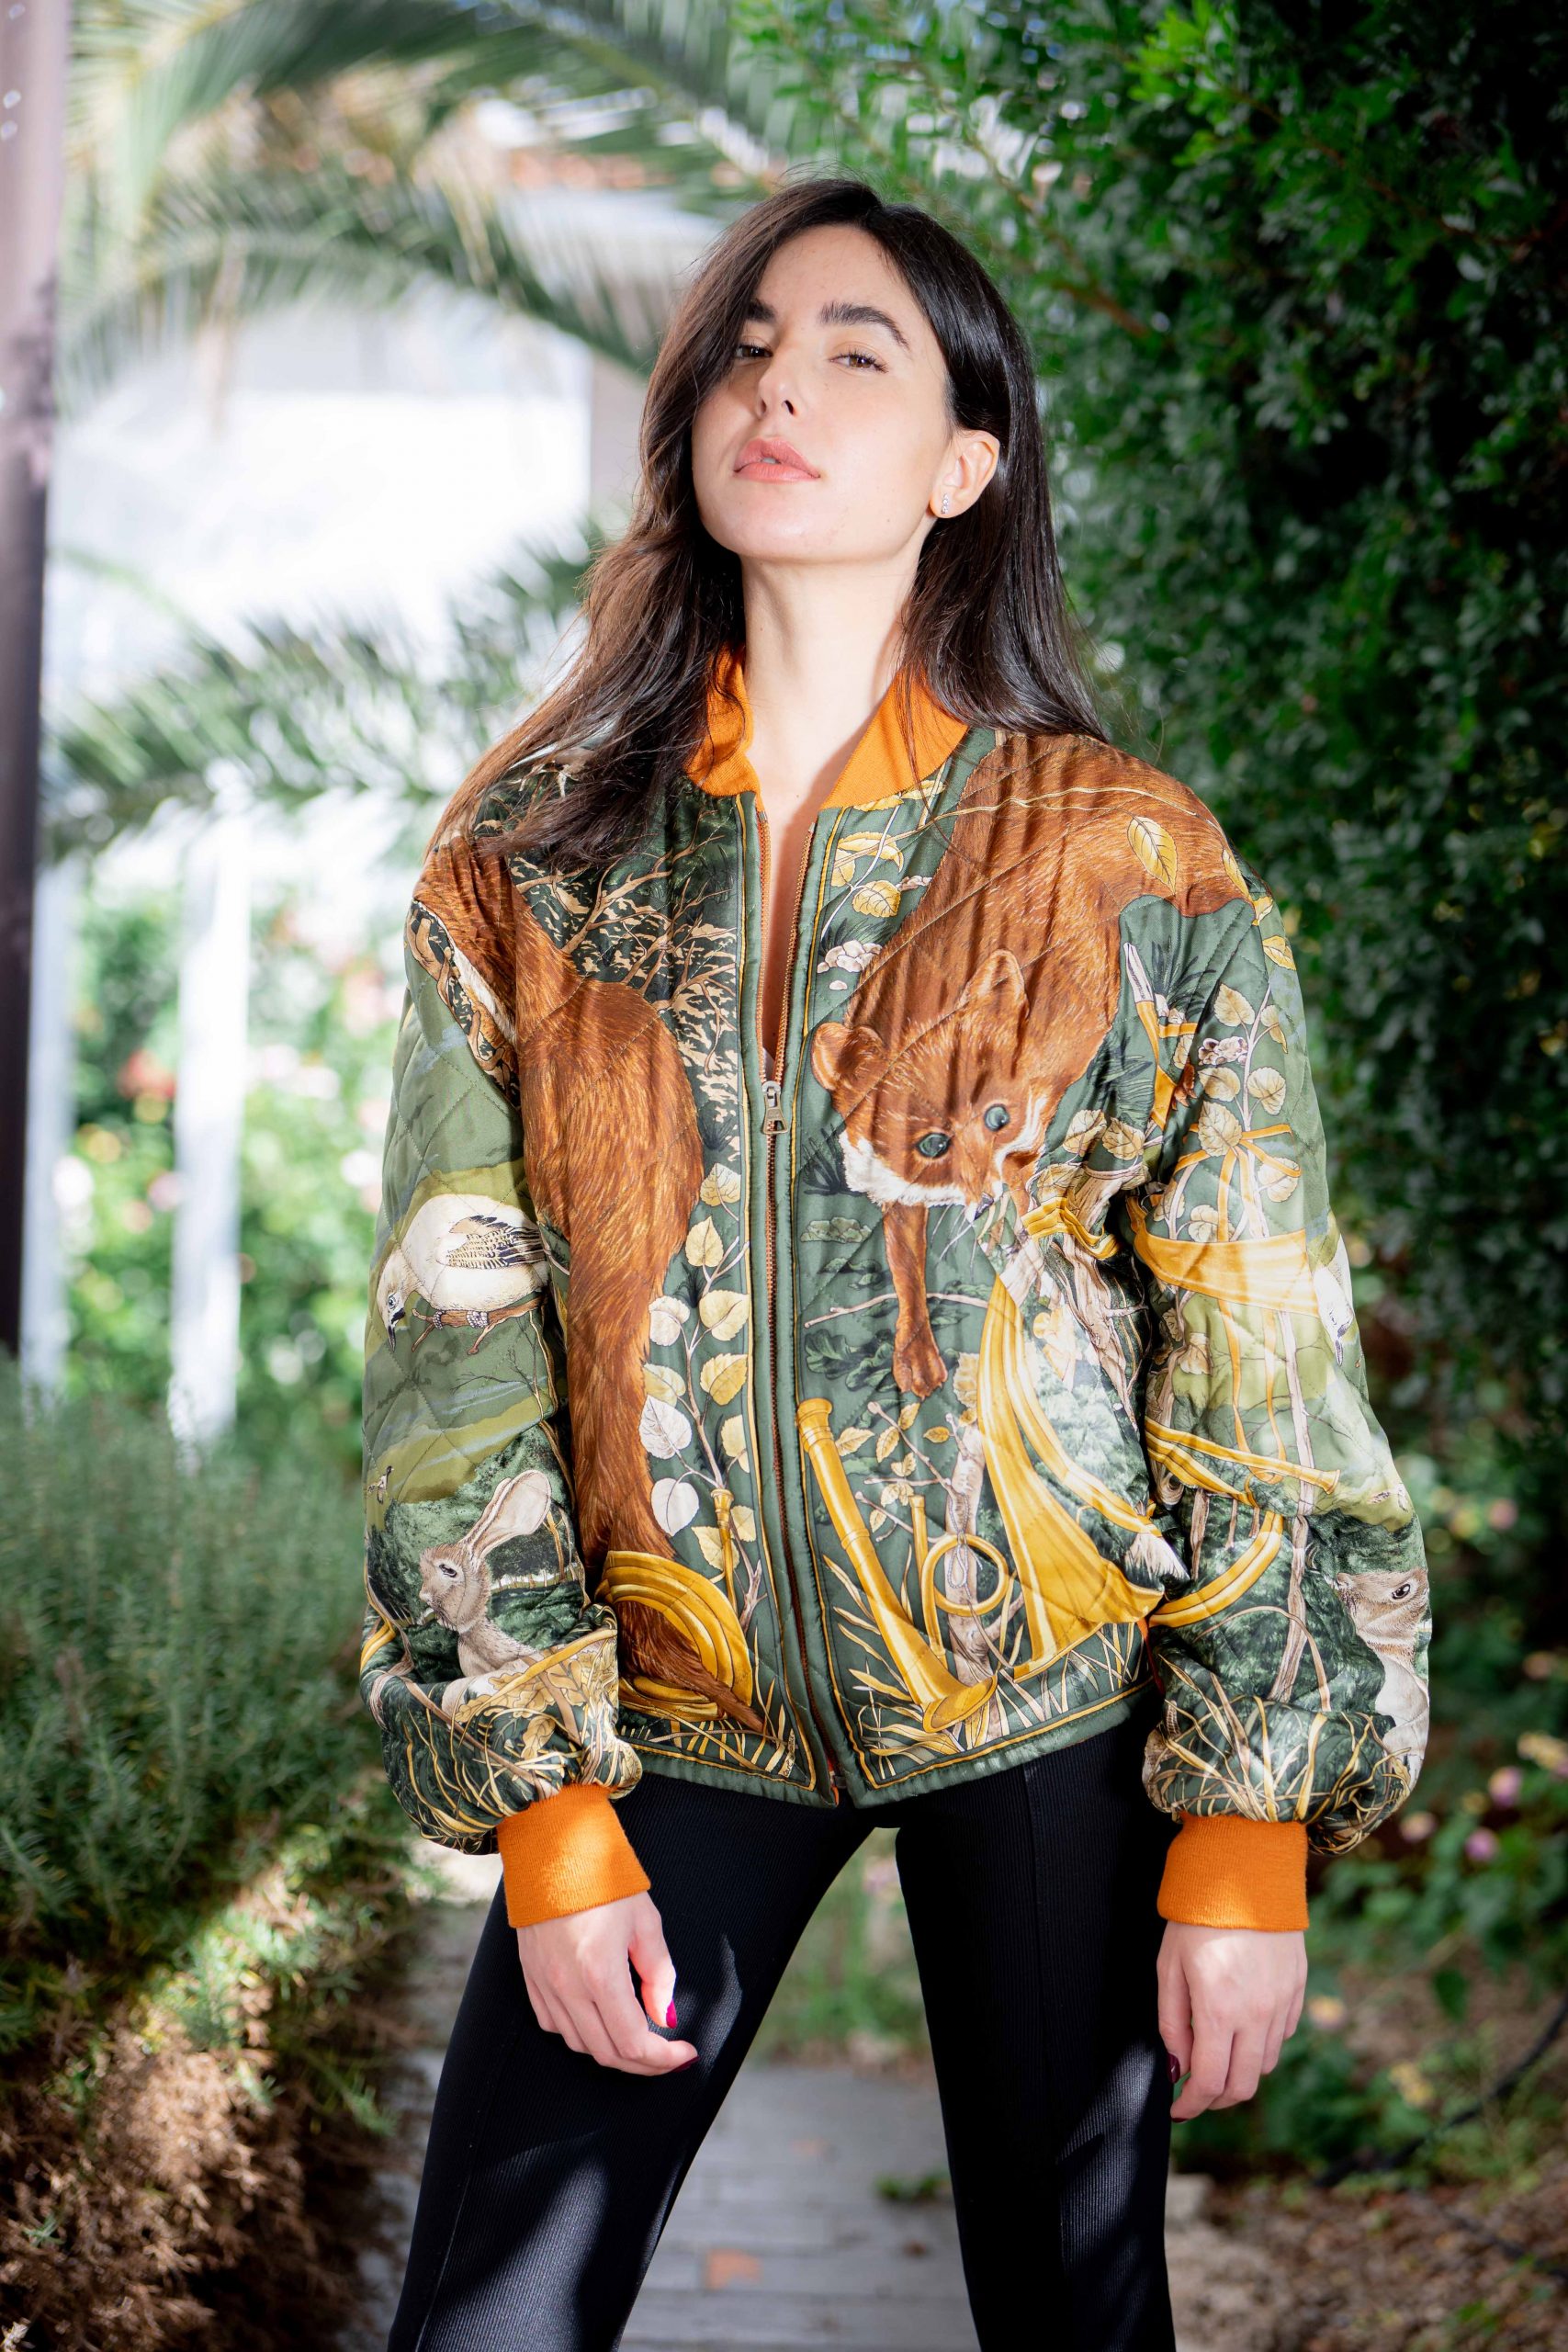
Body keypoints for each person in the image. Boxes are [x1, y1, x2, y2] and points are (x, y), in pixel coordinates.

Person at [358, 174, 1431, 2351]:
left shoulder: (1124, 858)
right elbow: (450, 1348)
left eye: (858, 353)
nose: (782, 388)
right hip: (674, 1715)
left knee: (1078, 2318)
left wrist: (1244, 1839)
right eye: (746, 347)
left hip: (1045, 1700)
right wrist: (546, 1816)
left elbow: (1257, 1346)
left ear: (964, 463)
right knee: (484, 2323)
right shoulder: (531, 867)